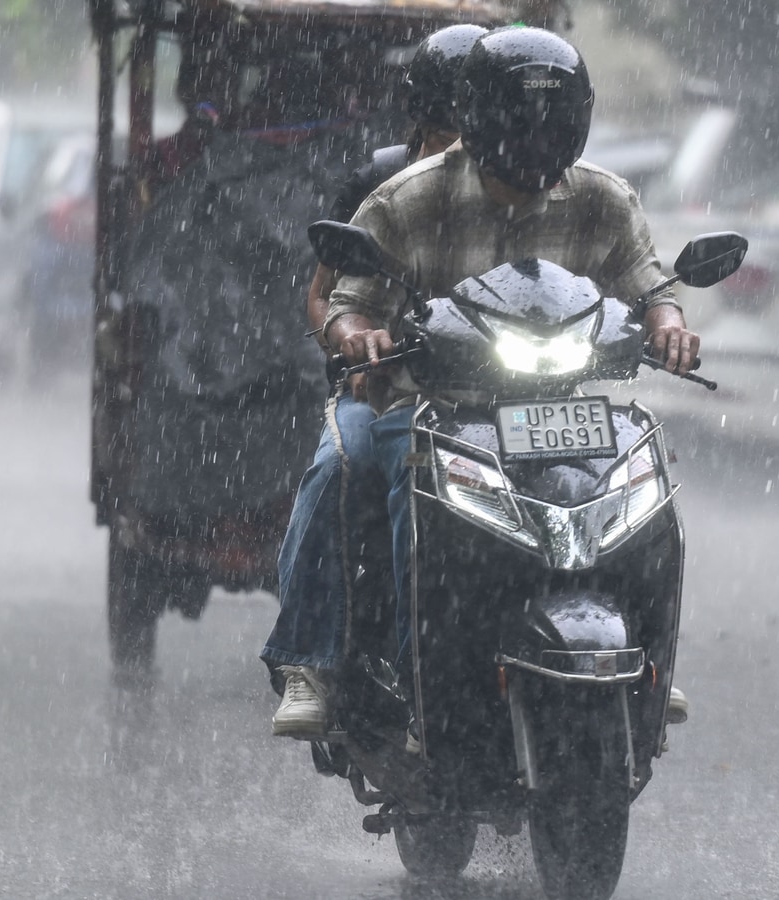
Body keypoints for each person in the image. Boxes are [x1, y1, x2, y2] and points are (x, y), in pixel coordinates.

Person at [265, 26, 698, 738]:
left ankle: (649, 656)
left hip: (560, 405)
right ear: (475, 119)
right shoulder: (406, 197)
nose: (535, 142)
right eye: (519, 122)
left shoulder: (603, 198)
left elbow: (649, 282)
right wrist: (358, 339)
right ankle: (382, 671)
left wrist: (668, 323)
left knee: (645, 485)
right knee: (347, 467)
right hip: (429, 402)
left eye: (550, 124)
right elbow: (343, 301)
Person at [263, 23, 489, 729]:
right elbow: (323, 291)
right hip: (393, 388)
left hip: (499, 396)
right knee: (340, 467)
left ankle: (623, 659)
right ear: (426, 112)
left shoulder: (529, 182)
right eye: (457, 117)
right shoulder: (379, 184)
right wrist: (354, 340)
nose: (466, 136)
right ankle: (308, 659)